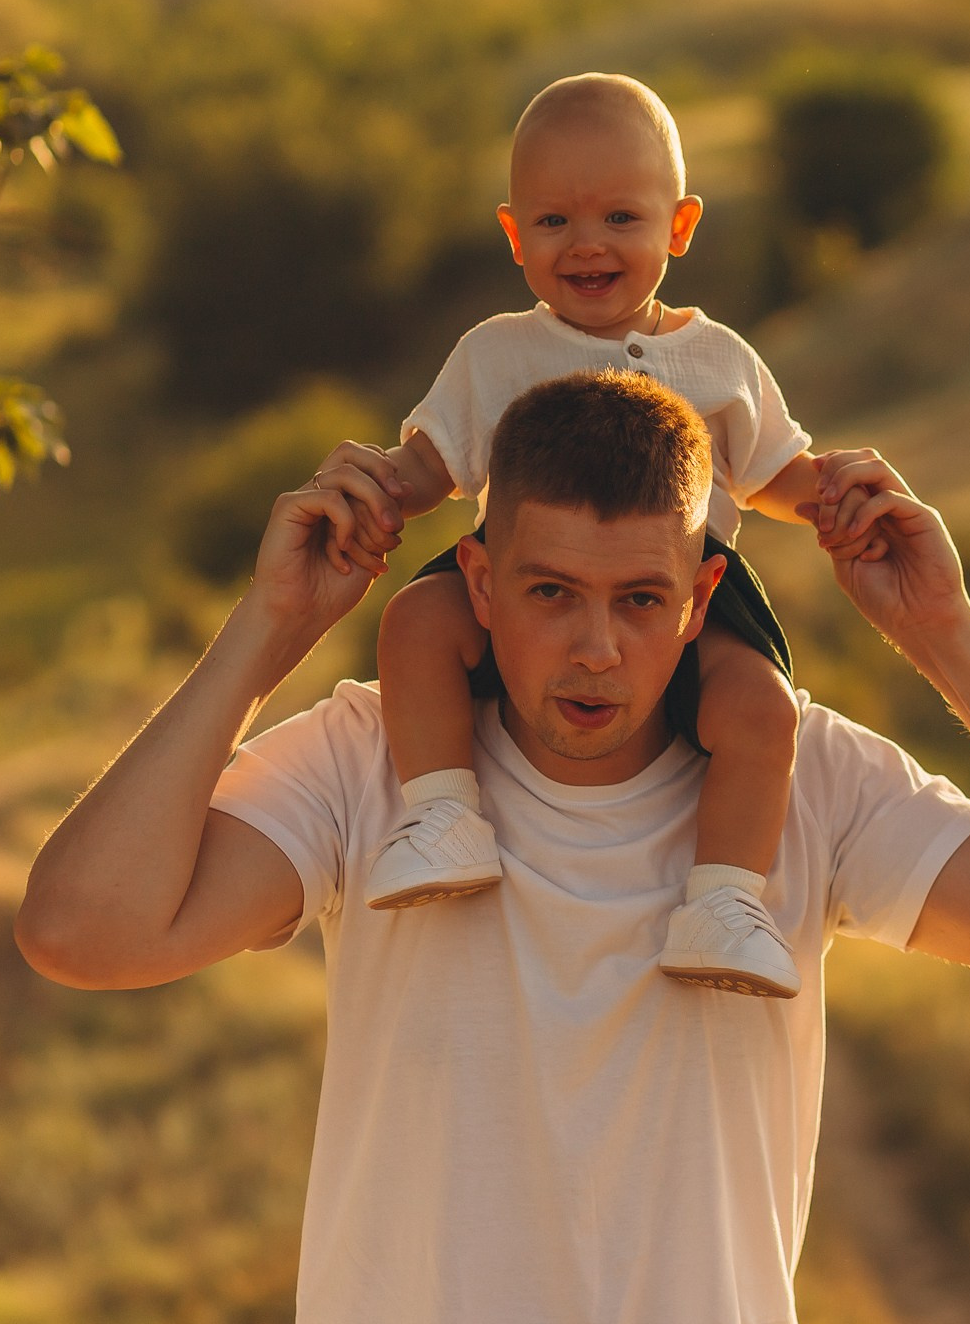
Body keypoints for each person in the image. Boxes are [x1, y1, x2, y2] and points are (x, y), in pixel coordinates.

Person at [14, 368, 970, 1324]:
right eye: (550, 593)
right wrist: (267, 629)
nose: (595, 647)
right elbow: (82, 930)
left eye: (641, 598)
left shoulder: (807, 777)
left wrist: (949, 635)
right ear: (480, 585)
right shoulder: (368, 759)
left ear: (702, 600)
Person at [322, 71, 831, 999]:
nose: (587, 245)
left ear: (679, 227)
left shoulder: (716, 360)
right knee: (415, 626)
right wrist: (374, 489)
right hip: (522, 588)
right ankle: (442, 816)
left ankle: (723, 900)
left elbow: (774, 476)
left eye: (621, 221)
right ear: (514, 234)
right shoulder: (499, 352)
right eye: (553, 223)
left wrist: (837, 498)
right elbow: (433, 468)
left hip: (686, 593)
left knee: (761, 710)